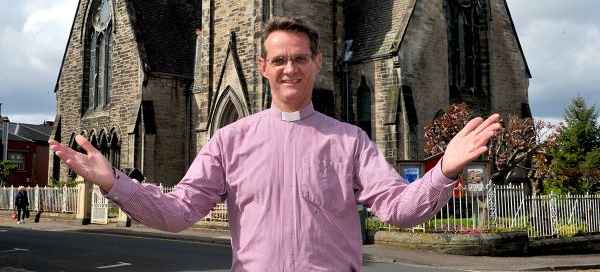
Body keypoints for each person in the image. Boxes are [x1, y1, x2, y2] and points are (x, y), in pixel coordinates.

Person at [50, 16, 501, 271]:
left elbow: (399, 211)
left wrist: (444, 170)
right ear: (263, 67)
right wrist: (115, 184)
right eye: (280, 60)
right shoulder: (229, 140)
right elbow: (177, 213)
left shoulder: (350, 141)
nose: (291, 68)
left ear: (317, 63)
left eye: (300, 58)